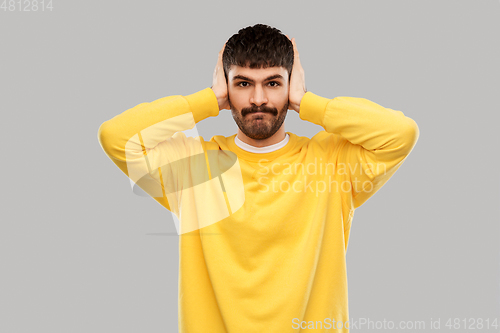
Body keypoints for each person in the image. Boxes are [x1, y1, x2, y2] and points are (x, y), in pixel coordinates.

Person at [97, 23, 419, 333]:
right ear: (226, 87)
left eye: (274, 83)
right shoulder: (193, 166)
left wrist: (306, 102)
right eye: (243, 83)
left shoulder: (331, 162)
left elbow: (400, 134)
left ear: (291, 85)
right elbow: (116, 137)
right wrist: (209, 100)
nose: (258, 99)